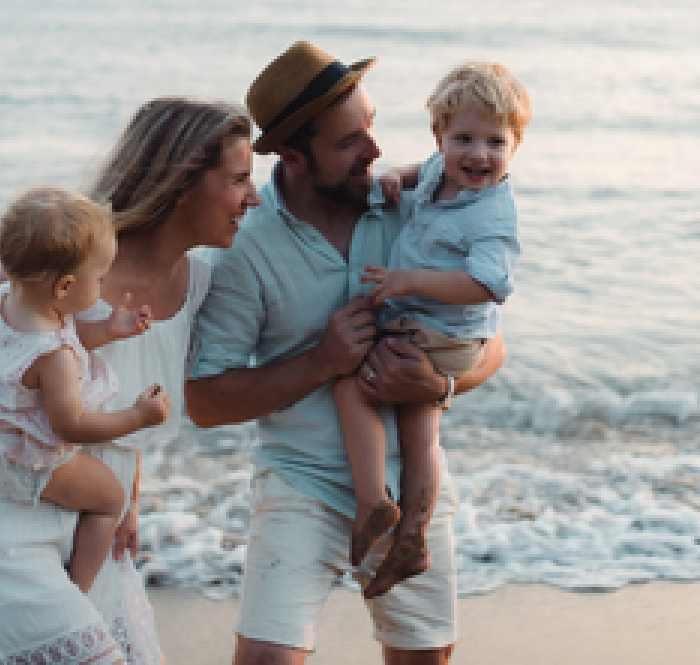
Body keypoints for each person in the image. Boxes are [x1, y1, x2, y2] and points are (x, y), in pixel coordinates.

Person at [186, 41, 507, 664]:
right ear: (295, 158)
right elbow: (204, 402)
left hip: (412, 485)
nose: (376, 151)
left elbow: (491, 346)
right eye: (349, 142)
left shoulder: (414, 210)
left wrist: (435, 389)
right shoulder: (245, 244)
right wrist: (321, 361)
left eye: (372, 127)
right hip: (299, 487)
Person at [0, 98, 258, 665]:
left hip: (94, 545)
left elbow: (125, 398)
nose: (254, 196)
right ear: (179, 184)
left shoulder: (196, 283)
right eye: (240, 179)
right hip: (2, 538)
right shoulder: (67, 267)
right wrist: (19, 447)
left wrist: (131, 500)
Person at [0, 186, 170, 594]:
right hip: (25, 467)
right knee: (110, 500)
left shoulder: (0, 300)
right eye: (98, 278)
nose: (102, 285)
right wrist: (138, 416)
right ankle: (79, 587)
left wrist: (111, 329)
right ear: (63, 288)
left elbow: (49, 335)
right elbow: (71, 425)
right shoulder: (55, 357)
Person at [339, 62, 529, 595]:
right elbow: (418, 173)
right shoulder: (438, 173)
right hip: (424, 324)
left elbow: (488, 284)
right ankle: (403, 533)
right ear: (439, 139)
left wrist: (406, 281)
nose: (478, 155)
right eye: (463, 138)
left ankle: (385, 511)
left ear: (516, 145)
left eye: (495, 142)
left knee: (361, 391)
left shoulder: (493, 214)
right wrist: (395, 180)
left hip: (445, 333)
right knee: (409, 424)